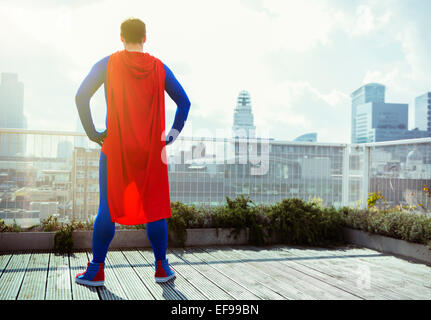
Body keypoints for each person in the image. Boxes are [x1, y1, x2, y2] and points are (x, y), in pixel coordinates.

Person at [74, 17, 191, 286]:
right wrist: (171, 135)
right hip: (151, 150)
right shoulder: (159, 67)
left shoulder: (108, 64)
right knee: (155, 209)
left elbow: (81, 95)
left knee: (108, 207)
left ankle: (96, 270)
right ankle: (162, 268)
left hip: (115, 147)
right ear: (145, 38)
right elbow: (184, 102)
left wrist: (93, 133)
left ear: (121, 37)